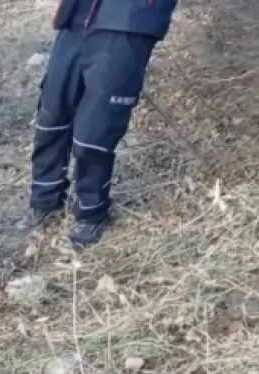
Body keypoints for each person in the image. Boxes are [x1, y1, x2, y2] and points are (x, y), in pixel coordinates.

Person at [27, 0, 178, 248]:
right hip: (76, 18)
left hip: (128, 24)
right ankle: (45, 201)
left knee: (93, 135)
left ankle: (92, 213)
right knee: (51, 117)